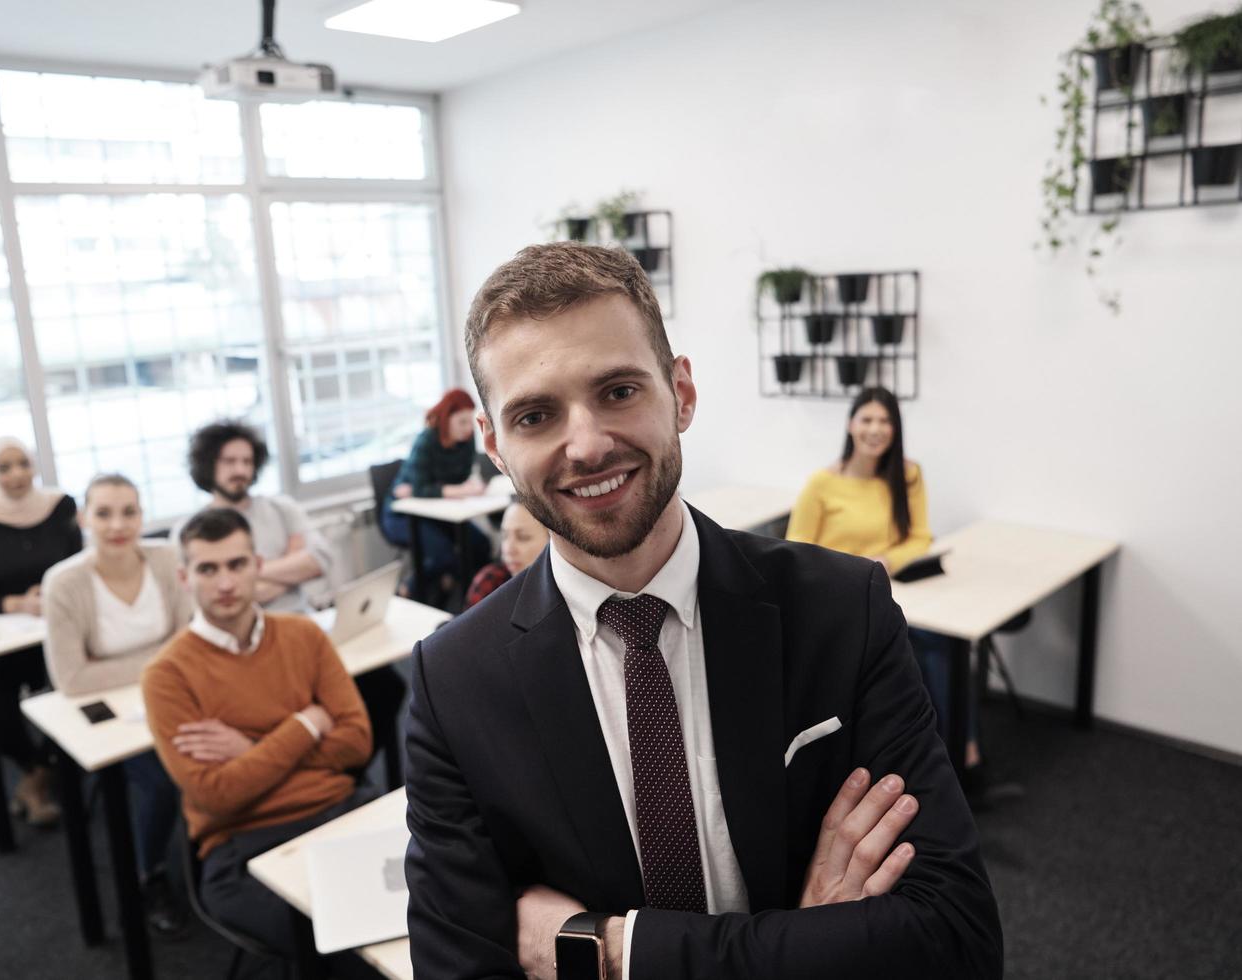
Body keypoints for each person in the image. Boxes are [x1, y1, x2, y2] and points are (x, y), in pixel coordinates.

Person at [403, 243, 1002, 979]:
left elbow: (956, 938)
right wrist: (799, 944)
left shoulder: (842, 611)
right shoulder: (454, 681)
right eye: (535, 415)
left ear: (681, 393)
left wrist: (613, 951)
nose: (586, 445)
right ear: (493, 444)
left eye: (619, 391)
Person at [142, 507, 374, 976]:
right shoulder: (166, 675)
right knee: (343, 946)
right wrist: (305, 725)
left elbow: (357, 744)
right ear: (186, 577)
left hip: (341, 811)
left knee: (442, 904)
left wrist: (251, 750)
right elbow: (218, 795)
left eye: (236, 564)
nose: (225, 582)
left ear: (258, 565)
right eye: (208, 568)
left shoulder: (304, 635)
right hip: (243, 846)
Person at [786, 388, 979, 773]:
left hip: (893, 589)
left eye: (885, 420)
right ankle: (946, 756)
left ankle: (960, 751)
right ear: (850, 425)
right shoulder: (822, 485)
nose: (876, 429)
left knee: (945, 643)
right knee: (926, 649)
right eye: (867, 419)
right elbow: (795, 556)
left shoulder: (908, 475)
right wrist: (854, 571)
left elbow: (921, 536)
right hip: (841, 599)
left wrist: (887, 561)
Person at [41, 474, 191, 938]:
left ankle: (225, 850)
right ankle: (150, 875)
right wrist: (161, 659)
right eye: (103, 513)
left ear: (143, 516)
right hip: (115, 715)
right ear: (84, 519)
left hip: (176, 694)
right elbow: (71, 678)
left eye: (129, 512)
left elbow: (189, 638)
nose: (117, 524)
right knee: (163, 783)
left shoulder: (165, 558)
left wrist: (133, 664)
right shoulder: (64, 582)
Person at [0, 436, 81, 827]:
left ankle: (49, 772)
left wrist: (54, 596)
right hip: (5, 642)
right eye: (4, 467)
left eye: (23, 463)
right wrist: (17, 603)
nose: (17, 474)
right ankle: (38, 771)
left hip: (56, 629)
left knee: (76, 687)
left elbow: (78, 567)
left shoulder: (60, 507)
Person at [177, 419, 336, 614]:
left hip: (299, 619)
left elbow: (319, 561)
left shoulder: (283, 509)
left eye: (247, 461)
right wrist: (290, 568)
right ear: (208, 464)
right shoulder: (190, 528)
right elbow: (196, 596)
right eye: (229, 461)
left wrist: (247, 576)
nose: (240, 470)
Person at [380, 388, 493, 603]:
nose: (468, 429)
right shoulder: (427, 439)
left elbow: (458, 478)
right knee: (443, 555)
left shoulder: (466, 440)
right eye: (461, 422)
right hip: (401, 515)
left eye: (470, 422)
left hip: (437, 512)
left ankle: (471, 599)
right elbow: (423, 488)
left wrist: (429, 490)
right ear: (446, 419)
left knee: (481, 545)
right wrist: (455, 490)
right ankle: (408, 591)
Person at [464, 500, 549, 608]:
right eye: (505, 536)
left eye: (523, 537)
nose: (508, 549)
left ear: (552, 541)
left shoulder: (566, 592)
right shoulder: (490, 582)